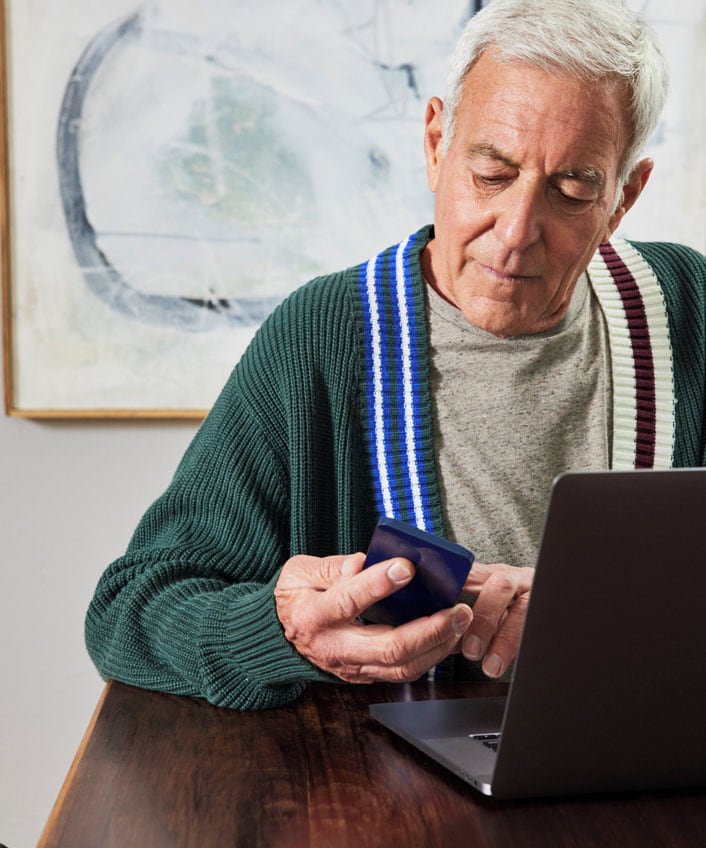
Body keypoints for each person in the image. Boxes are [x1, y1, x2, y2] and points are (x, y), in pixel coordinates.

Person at [85, 0, 706, 710]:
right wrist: (284, 630)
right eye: (492, 173)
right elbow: (130, 613)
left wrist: (600, 613)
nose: (514, 232)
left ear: (624, 196)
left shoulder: (689, 312)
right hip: (373, 796)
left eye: (571, 191)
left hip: (644, 781)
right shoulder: (319, 337)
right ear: (437, 142)